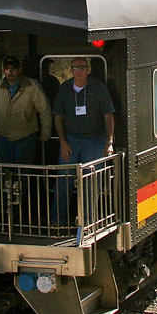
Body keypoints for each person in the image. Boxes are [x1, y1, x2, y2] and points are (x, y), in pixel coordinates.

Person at [51, 57, 115, 226]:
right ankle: (57, 221)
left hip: (94, 139)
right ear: (71, 70)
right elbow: (58, 117)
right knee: (63, 180)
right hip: (70, 139)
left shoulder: (99, 88)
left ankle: (87, 222)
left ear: (87, 70)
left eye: (82, 68)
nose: (78, 71)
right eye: (75, 68)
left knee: (91, 181)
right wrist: (63, 142)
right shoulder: (64, 88)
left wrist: (109, 141)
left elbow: (108, 116)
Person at [0, 56, 52, 164]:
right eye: (7, 69)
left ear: (20, 69)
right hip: (4, 136)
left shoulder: (32, 85)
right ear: (3, 71)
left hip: (26, 136)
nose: (10, 72)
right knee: (5, 171)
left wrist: (45, 133)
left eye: (13, 68)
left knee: (23, 172)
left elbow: (44, 110)